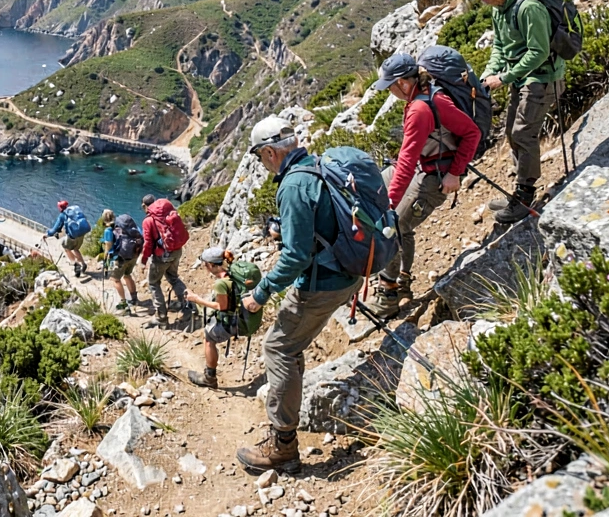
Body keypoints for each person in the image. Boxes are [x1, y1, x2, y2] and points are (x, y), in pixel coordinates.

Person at [236, 116, 362, 472]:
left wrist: (261, 293)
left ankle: (284, 446)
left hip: (324, 283)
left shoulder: (292, 186)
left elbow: (295, 256)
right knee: (291, 346)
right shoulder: (318, 166)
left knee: (277, 346)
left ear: (271, 152)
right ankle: (289, 413)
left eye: (261, 157)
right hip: (350, 271)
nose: (262, 164)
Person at [367, 52, 482, 318]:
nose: (390, 92)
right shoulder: (424, 94)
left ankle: (388, 295)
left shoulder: (420, 108)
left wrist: (455, 172)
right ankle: (402, 279)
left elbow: (470, 133)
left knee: (391, 227)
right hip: (427, 168)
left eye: (390, 87)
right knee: (396, 217)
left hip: (433, 177)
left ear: (403, 83)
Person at [474, 0, 565, 223]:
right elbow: (500, 47)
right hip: (522, 77)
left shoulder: (528, 8)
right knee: (512, 133)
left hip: (543, 77)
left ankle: (524, 196)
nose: (484, 1)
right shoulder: (498, 9)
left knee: (523, 133)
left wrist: (503, 78)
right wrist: (488, 73)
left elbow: (539, 52)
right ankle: (520, 190)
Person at [186, 247, 237, 389]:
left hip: (232, 322)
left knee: (209, 338)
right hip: (241, 317)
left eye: (206, 264)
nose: (204, 267)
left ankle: (210, 378)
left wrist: (196, 299)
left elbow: (221, 306)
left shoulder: (221, 283)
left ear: (212, 265)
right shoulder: (233, 272)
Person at [139, 194, 189, 328]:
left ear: (144, 206)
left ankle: (161, 317)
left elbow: (148, 244)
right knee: (173, 278)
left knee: (153, 283)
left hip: (162, 256)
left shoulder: (148, 221)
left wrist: (143, 261)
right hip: (177, 251)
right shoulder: (167, 213)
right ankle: (189, 307)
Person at [99, 209, 140, 312]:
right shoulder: (122, 226)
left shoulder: (108, 230)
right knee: (127, 275)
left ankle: (123, 303)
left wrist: (105, 258)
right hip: (132, 255)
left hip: (120, 258)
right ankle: (134, 298)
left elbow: (108, 246)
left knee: (115, 279)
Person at [46, 200, 89, 276]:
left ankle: (75, 263)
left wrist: (47, 234)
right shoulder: (74, 210)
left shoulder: (62, 215)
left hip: (72, 236)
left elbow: (55, 229)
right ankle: (83, 264)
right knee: (76, 249)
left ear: (60, 208)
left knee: (66, 248)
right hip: (81, 233)